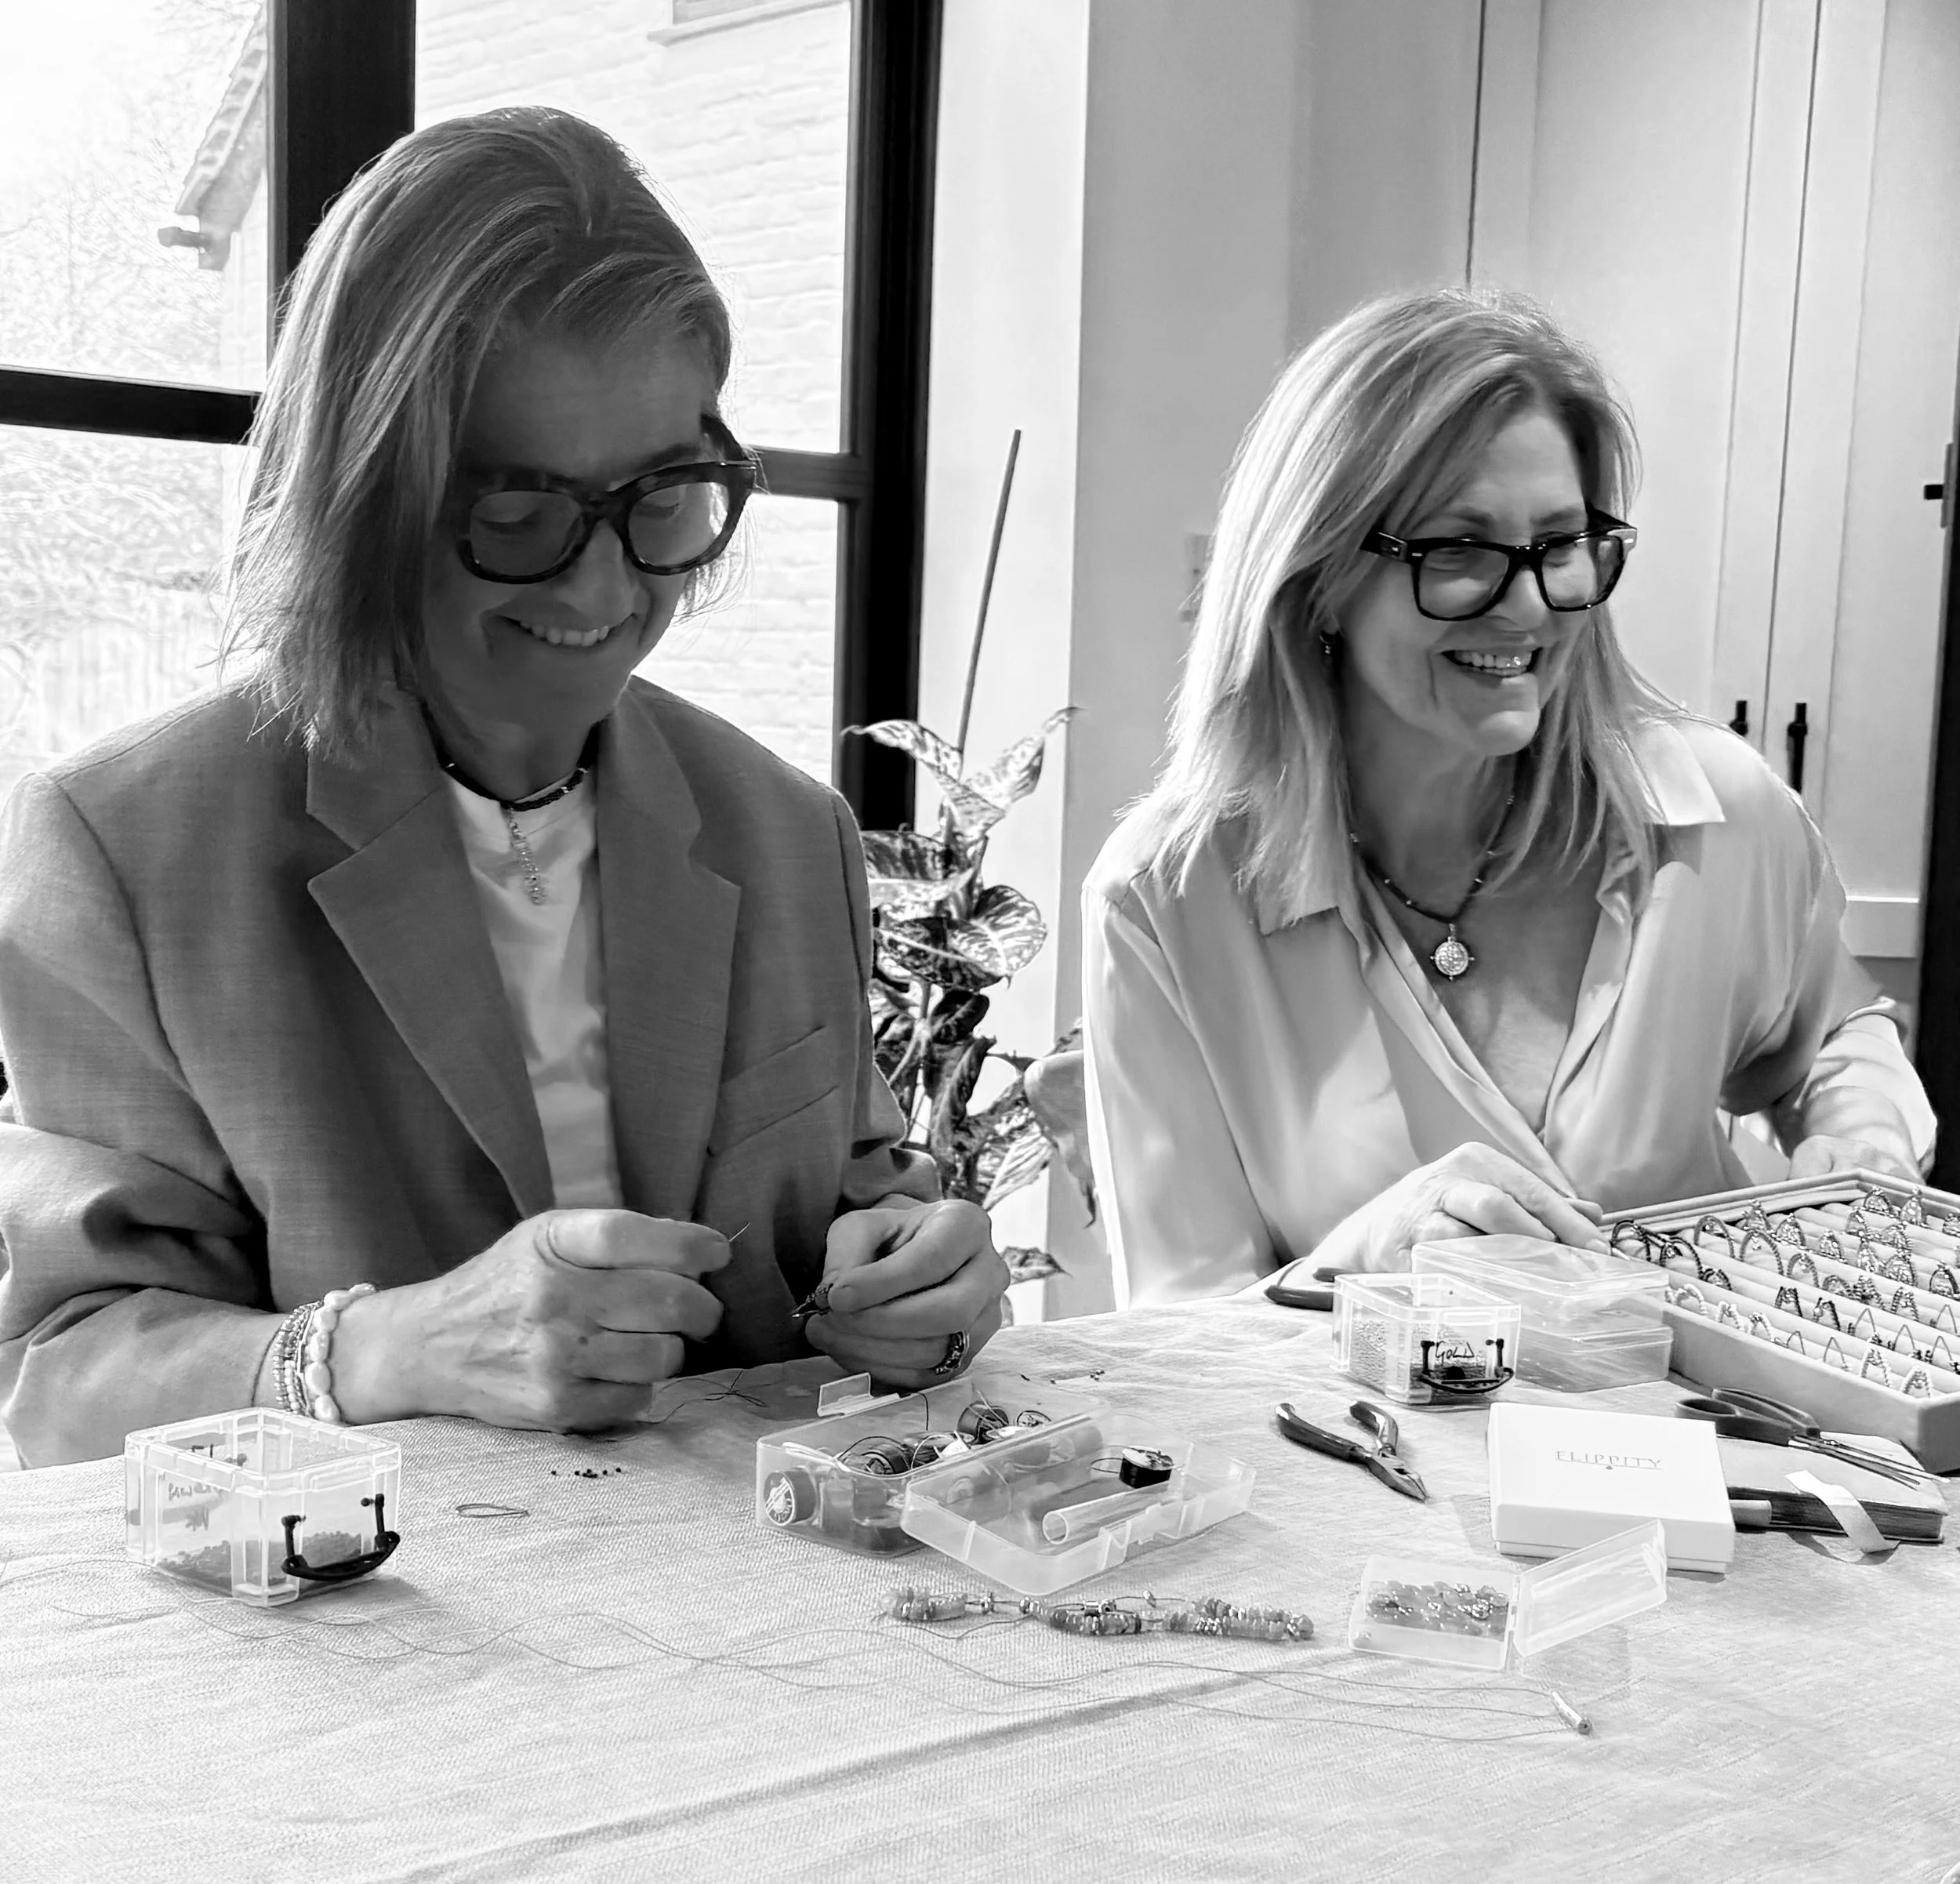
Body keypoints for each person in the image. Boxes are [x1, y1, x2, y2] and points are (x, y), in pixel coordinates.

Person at [0, 108, 1007, 1465]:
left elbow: (866, 1205)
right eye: (517, 515)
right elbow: (65, 1381)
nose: (604, 591)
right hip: (365, 1634)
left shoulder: (782, 829)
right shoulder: (125, 850)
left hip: (775, 1616)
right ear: (365, 491)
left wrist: (926, 1276)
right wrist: (392, 1345)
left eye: (665, 495)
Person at [1082, 287, 1936, 1307]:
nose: (1528, 605)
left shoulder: (1717, 819)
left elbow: (1836, 1034)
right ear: (1318, 571)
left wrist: (1862, 1136)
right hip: (1357, 1460)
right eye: (1461, 550)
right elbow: (1179, 1348)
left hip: (1713, 1456)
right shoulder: (1167, 900)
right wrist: (1369, 1259)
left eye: (1560, 545)